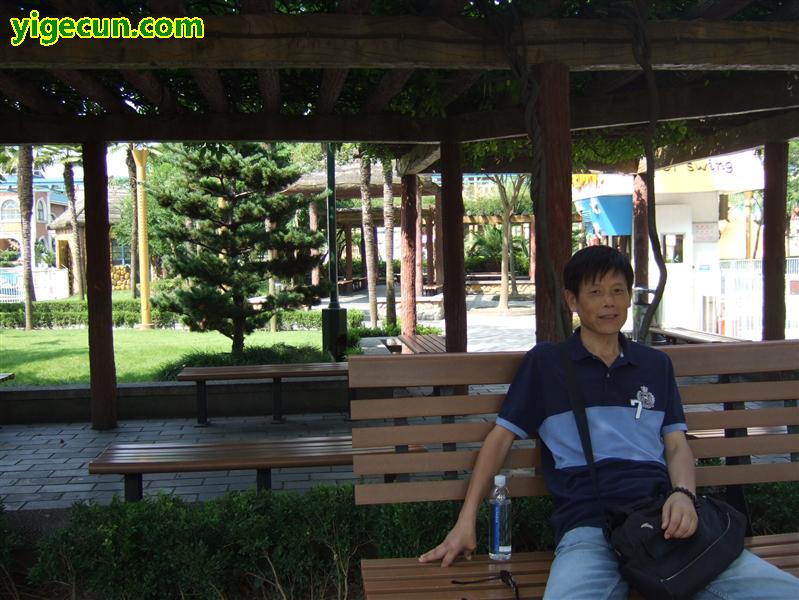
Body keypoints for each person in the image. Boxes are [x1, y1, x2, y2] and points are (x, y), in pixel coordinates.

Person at [419, 245, 798, 599]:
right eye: (596, 292)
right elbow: (499, 439)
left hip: (661, 519)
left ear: (629, 297)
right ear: (572, 300)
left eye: (618, 291)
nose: (609, 302)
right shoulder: (547, 365)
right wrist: (466, 521)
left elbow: (676, 445)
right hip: (588, 525)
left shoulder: (655, 365)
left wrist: (683, 495)